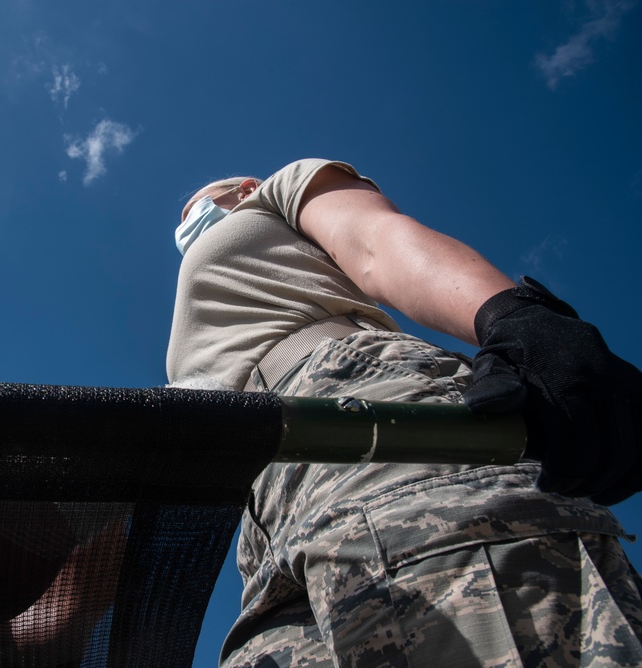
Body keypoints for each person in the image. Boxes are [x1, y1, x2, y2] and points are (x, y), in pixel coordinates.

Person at [166, 159, 642, 666]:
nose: (186, 225)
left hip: (357, 407)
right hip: (261, 515)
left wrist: (514, 316)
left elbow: (376, 243)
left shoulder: (273, 195)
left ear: (244, 189)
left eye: (199, 206)